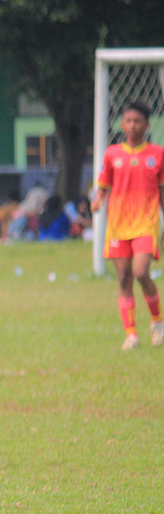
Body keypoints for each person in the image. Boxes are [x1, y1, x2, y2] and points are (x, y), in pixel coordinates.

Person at [90, 100, 164, 350]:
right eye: (128, 121)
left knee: (141, 272)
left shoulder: (157, 154)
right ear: (122, 124)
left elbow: (162, 192)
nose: (132, 125)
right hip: (118, 225)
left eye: (137, 121)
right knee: (123, 278)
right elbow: (103, 186)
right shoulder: (112, 154)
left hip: (146, 222)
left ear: (146, 125)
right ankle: (131, 335)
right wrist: (97, 200)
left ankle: (157, 323)